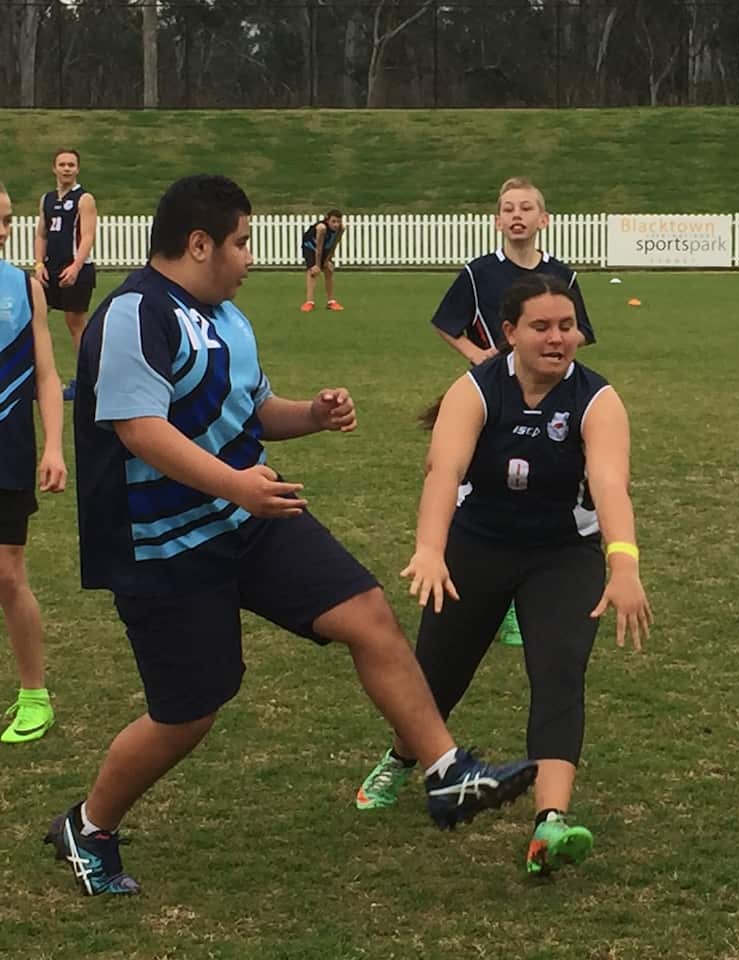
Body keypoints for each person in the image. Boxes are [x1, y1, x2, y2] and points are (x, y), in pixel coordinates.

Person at [44, 175, 536, 897]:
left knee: (368, 614)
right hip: (164, 545)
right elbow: (138, 428)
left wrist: (311, 413)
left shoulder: (228, 317)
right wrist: (237, 483)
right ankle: (86, 826)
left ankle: (446, 773)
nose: (251, 257)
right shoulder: (133, 313)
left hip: (253, 519)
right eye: (241, 242)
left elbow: (252, 409)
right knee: (188, 714)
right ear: (199, 243)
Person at [356, 273, 650, 878]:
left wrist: (624, 562)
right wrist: (430, 550)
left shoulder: (598, 400)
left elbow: (610, 486)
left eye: (567, 326)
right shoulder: (474, 390)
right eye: (541, 326)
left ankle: (551, 823)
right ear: (509, 332)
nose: (557, 337)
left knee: (559, 671)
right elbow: (442, 472)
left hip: (563, 555)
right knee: (438, 673)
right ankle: (402, 756)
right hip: (477, 546)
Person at [431, 177, 597, 647]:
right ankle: (489, 594)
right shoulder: (477, 272)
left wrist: (550, 346)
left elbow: (581, 330)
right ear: (497, 220)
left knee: (544, 481)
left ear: (543, 220)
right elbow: (446, 323)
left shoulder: (562, 275)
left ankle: (531, 593)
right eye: (508, 209)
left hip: (547, 394)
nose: (517, 216)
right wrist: (478, 355)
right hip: (491, 396)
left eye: (526, 208)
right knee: (478, 485)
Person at [0, 184, 68, 745]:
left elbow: (47, 375)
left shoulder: (24, 287)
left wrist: (52, 446)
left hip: (9, 451)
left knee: (7, 571)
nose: (2, 230)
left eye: (6, 220)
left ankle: (34, 696)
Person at [34, 149, 97, 401]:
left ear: (78, 169)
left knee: (75, 325)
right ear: (54, 168)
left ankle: (85, 382)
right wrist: (39, 264)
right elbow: (41, 234)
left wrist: (76, 266)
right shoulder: (46, 199)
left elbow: (88, 236)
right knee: (34, 317)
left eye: (71, 164)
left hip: (76, 269)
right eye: (62, 164)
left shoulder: (84, 199)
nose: (67, 168)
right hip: (50, 269)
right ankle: (36, 378)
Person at [300, 209, 344, 312]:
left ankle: (331, 302)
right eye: (333, 221)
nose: (336, 224)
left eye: (338, 221)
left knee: (329, 269)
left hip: (324, 247)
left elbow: (334, 244)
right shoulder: (322, 228)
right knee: (313, 272)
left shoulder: (341, 228)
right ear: (327, 220)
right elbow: (318, 249)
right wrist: (317, 265)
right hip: (310, 247)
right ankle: (309, 302)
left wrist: (328, 260)